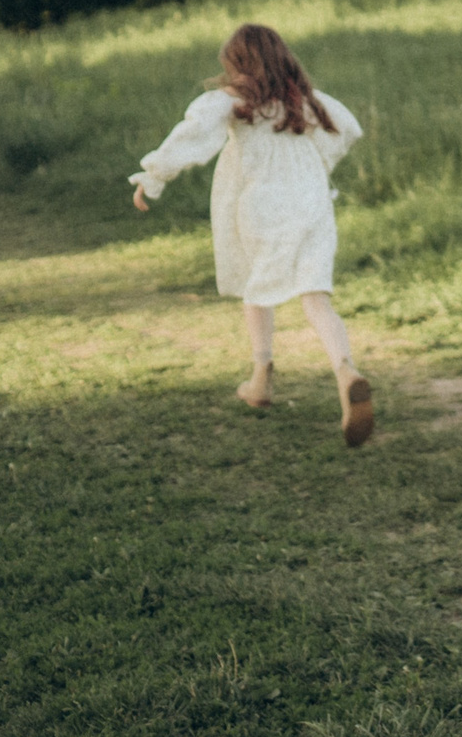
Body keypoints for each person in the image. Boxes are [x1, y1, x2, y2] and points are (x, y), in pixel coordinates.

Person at [130, 23, 375, 447]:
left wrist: (153, 177)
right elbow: (347, 129)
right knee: (316, 296)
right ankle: (346, 371)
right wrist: (318, 165)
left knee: (255, 284)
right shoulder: (303, 99)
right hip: (312, 201)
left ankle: (261, 377)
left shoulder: (229, 101)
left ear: (237, 64)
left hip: (262, 203)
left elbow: (192, 135)